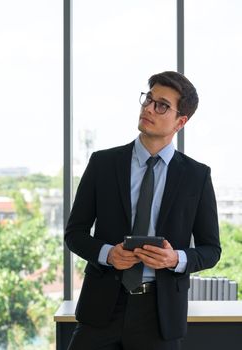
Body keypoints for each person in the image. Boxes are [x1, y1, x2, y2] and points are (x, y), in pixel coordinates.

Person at [65, 71, 221, 350]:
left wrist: (175, 259)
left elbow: (211, 250)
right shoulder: (103, 163)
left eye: (162, 105)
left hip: (160, 317)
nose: (148, 108)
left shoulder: (197, 176)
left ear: (180, 121)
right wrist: (107, 254)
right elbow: (74, 233)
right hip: (101, 309)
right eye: (148, 99)